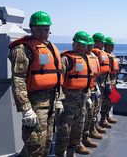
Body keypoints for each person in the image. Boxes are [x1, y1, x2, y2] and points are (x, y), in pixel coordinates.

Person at [8, 11, 63, 156]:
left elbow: (58, 75)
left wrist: (59, 99)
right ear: (32, 28)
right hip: (35, 104)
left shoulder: (50, 47)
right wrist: (26, 108)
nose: (44, 32)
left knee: (46, 143)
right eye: (40, 29)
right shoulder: (22, 49)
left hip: (51, 102)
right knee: (35, 144)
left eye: (46, 29)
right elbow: (18, 79)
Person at [55, 31, 91, 156]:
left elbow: (87, 79)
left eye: (84, 45)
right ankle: (60, 154)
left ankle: (71, 153)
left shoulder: (85, 59)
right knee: (64, 132)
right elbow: (58, 81)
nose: (81, 47)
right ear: (73, 43)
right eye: (79, 44)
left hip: (81, 102)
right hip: (67, 103)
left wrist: (88, 96)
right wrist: (58, 100)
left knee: (77, 130)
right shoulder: (65, 59)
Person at [83, 36, 104, 143]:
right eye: (88, 46)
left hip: (95, 87)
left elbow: (95, 75)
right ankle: (83, 138)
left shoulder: (93, 57)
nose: (90, 48)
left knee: (94, 111)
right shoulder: (81, 58)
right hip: (84, 92)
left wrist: (97, 88)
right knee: (85, 115)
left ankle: (93, 128)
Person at [92, 33, 112, 129]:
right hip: (99, 83)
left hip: (108, 81)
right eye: (101, 43)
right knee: (96, 105)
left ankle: (105, 118)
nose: (102, 45)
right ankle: (95, 126)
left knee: (112, 99)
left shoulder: (106, 55)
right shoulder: (94, 54)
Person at [104, 37, 119, 124]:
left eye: (112, 45)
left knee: (112, 100)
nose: (112, 47)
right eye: (110, 45)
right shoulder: (103, 56)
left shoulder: (112, 56)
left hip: (113, 82)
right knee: (105, 102)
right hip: (107, 82)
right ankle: (103, 119)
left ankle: (108, 116)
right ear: (105, 45)